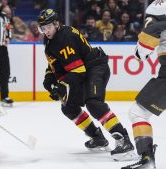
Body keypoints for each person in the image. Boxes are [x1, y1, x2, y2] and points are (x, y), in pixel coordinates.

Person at [38, 9, 135, 161]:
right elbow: (56, 64)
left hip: (95, 67)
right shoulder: (51, 41)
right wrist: (49, 78)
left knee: (93, 103)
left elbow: (78, 70)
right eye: (43, 28)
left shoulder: (65, 37)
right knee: (68, 107)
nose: (46, 31)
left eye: (48, 27)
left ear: (56, 24)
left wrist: (62, 85)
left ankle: (124, 140)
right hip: (83, 71)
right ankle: (97, 137)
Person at [122, 1, 166, 169]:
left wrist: (139, 52)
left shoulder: (159, 5)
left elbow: (145, 45)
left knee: (138, 112)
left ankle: (147, 159)